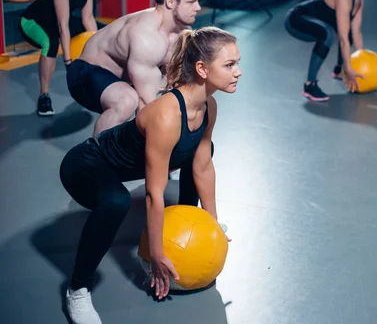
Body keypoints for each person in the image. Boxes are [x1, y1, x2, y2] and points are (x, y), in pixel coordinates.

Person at [59, 26, 241, 323]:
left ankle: (191, 218)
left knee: (197, 151)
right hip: (85, 165)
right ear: (202, 69)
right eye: (230, 64)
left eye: (237, 63)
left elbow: (203, 165)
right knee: (116, 201)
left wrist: (212, 224)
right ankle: (77, 289)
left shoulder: (210, 106)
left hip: (119, 167)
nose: (238, 72)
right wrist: (156, 255)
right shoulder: (166, 115)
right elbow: (154, 193)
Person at [66, 0, 202, 136]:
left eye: (198, 1)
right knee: (127, 100)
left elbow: (170, 82)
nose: (198, 7)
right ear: (170, 2)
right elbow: (147, 104)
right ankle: (97, 158)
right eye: (191, 2)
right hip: (84, 74)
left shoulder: (180, 32)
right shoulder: (146, 37)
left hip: (120, 79)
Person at [19, 0, 100, 116]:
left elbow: (87, 17)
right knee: (51, 43)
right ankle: (44, 97)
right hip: (33, 21)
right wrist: (69, 63)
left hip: (57, 20)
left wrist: (98, 46)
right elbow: (63, 26)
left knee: (100, 33)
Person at [284, 0, 377, 102]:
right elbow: (342, 39)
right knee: (327, 34)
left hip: (317, 21)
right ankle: (310, 85)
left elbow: (356, 32)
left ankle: (339, 70)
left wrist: (361, 61)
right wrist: (349, 67)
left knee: (347, 32)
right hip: (297, 19)